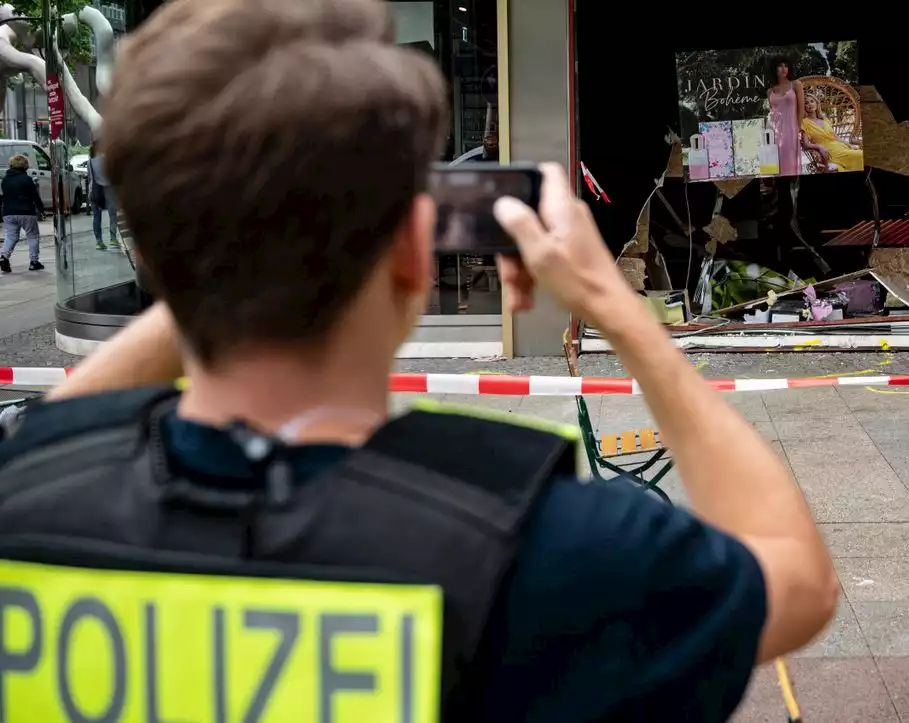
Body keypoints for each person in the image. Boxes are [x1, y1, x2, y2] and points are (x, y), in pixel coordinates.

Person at [0, 1, 838, 720]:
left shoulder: (32, 495)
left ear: (147, 248)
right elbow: (798, 579)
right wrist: (620, 314)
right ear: (413, 253)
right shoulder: (552, 550)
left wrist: (216, 260)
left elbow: (55, 429)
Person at [0, 154, 44, 273]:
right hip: (26, 212)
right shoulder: (26, 179)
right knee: (32, 235)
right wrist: (42, 209)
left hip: (8, 212)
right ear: (25, 166)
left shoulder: (5, 180)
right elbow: (34, 196)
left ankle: (4, 256)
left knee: (11, 236)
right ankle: (34, 262)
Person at [800, 95, 864, 172]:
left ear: (816, 103)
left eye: (812, 101)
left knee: (859, 154)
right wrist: (819, 147)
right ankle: (836, 164)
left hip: (840, 147)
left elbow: (836, 137)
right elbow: (806, 144)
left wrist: (849, 145)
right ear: (804, 107)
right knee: (860, 155)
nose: (810, 104)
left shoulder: (824, 119)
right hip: (828, 152)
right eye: (806, 103)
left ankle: (839, 165)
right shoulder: (805, 122)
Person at [766, 56, 804, 176]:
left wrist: (798, 128)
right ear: (774, 69)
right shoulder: (770, 91)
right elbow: (773, 113)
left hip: (792, 131)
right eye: (780, 66)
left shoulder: (796, 84)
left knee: (791, 167)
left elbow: (801, 109)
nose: (784, 69)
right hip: (775, 132)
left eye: (786, 66)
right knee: (776, 166)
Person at [88, 140, 121, 250]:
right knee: (112, 215)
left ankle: (99, 242)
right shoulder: (107, 160)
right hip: (109, 190)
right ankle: (113, 239)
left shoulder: (90, 162)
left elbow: (90, 178)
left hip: (95, 190)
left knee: (96, 217)